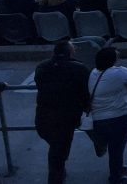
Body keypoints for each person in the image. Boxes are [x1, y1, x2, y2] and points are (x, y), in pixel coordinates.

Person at [35, 40, 91, 184]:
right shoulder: (80, 68)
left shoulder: (41, 67)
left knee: (57, 149)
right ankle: (56, 178)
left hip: (43, 117)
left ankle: (58, 173)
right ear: (71, 52)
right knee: (58, 152)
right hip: (65, 118)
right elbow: (85, 94)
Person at [89, 45, 127, 184]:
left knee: (113, 148)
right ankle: (116, 177)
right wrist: (123, 68)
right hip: (119, 117)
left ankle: (102, 146)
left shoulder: (93, 73)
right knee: (116, 149)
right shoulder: (119, 72)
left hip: (99, 117)